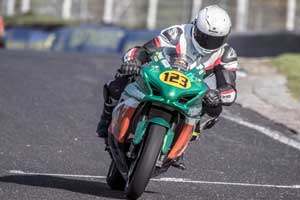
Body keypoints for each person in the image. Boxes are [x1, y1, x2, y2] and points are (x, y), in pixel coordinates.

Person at [97, 5, 238, 152]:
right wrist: (134, 62)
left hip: (195, 92)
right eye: (204, 37)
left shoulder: (226, 54)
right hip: (163, 75)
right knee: (121, 79)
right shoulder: (177, 33)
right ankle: (106, 119)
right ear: (194, 27)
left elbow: (230, 89)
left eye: (215, 40)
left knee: (215, 107)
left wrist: (217, 95)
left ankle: (186, 136)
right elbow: (144, 50)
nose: (208, 44)